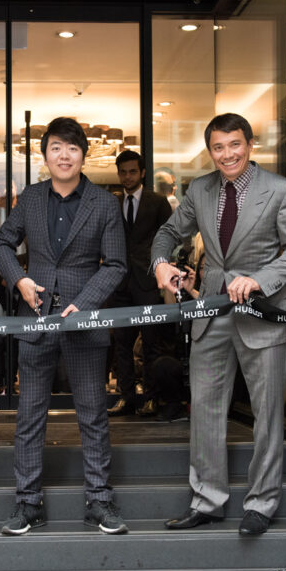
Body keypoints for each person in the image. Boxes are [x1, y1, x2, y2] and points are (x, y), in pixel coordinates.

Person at [151, 113, 286, 536]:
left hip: (261, 316)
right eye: (218, 147)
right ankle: (207, 501)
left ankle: (261, 503)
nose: (227, 154)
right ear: (210, 151)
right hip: (212, 314)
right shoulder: (200, 189)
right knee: (205, 411)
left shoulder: (281, 190)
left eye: (235, 144)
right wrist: (162, 263)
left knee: (266, 415)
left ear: (250, 144)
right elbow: (168, 231)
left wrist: (260, 278)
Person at [0, 116, 128, 535]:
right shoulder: (31, 198)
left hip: (84, 321)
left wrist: (82, 305)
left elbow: (116, 264)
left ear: (83, 155)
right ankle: (27, 503)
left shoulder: (104, 203)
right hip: (35, 318)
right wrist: (19, 279)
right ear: (45, 155)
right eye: (56, 147)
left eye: (72, 148)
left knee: (93, 413)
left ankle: (99, 501)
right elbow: (3, 243)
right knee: (30, 416)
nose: (64, 155)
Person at [107, 150, 173, 418]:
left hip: (147, 280)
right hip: (120, 281)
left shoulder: (157, 202)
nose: (127, 177)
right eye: (123, 172)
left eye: (132, 171)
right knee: (121, 344)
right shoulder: (112, 202)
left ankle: (151, 398)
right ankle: (127, 398)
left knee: (150, 343)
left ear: (143, 173)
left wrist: (161, 269)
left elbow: (169, 237)